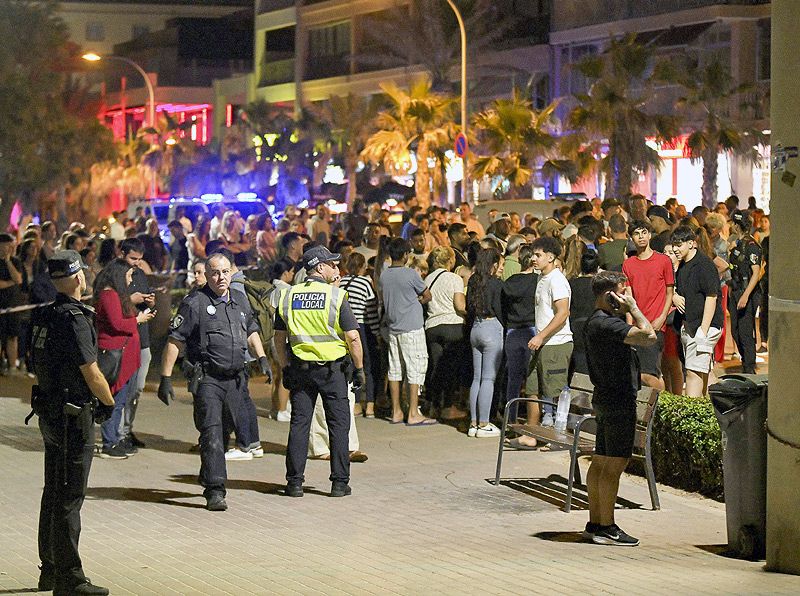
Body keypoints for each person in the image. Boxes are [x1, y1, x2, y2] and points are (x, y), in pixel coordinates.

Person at [30, 250, 115, 595]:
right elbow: (91, 371)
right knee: (69, 497)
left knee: (53, 492)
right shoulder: (75, 318)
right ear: (80, 277)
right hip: (72, 414)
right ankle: (70, 577)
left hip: (50, 410)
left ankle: (50, 568)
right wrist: (107, 403)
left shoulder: (43, 315)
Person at [158, 253, 269, 511]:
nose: (221, 278)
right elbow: (175, 340)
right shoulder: (194, 303)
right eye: (215, 273)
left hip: (236, 379)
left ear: (232, 273)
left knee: (225, 432)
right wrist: (165, 378)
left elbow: (250, 330)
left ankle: (208, 473)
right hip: (208, 378)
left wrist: (261, 357)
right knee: (211, 432)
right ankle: (215, 490)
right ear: (207, 275)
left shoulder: (239, 299)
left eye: (225, 272)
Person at [273, 245, 365, 497]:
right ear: (319, 267)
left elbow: (278, 338)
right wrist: (359, 369)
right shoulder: (335, 297)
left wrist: (284, 367)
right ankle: (338, 483)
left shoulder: (288, 296)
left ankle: (294, 483)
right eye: (332, 264)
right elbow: (353, 337)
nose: (336, 268)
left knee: (300, 425)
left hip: (301, 370)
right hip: (332, 371)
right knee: (338, 425)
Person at [583, 270, 656, 547]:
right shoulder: (606, 324)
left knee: (601, 461)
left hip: (605, 398)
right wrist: (635, 308)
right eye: (621, 292)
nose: (625, 297)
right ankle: (607, 527)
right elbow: (649, 336)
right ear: (607, 295)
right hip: (617, 400)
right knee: (614, 464)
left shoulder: (598, 322)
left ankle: (595, 523)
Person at [94, 259, 153, 458]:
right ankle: (109, 443)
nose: (130, 280)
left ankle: (116, 439)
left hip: (125, 355)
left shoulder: (117, 296)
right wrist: (137, 320)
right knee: (114, 401)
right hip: (115, 357)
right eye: (128, 276)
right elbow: (118, 323)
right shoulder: (109, 295)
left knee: (120, 401)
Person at [379, 238, 435, 426]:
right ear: (405, 255)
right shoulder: (411, 274)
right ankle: (413, 413)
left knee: (395, 370)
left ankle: (396, 412)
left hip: (393, 327)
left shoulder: (384, 276)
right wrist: (416, 302)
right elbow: (427, 295)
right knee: (415, 369)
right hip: (412, 326)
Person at [671, 226, 724, 397]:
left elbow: (712, 296)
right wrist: (675, 296)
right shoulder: (683, 266)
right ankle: (712, 413)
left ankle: (692, 415)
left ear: (692, 243)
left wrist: (703, 330)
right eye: (674, 245)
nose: (675, 249)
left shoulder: (704, 265)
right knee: (703, 373)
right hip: (690, 326)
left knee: (693, 374)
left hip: (703, 328)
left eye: (679, 245)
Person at [526, 236, 573, 428]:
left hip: (556, 343)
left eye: (538, 255)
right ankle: (531, 432)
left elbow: (563, 313)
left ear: (551, 257)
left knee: (554, 392)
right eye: (533, 255)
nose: (533, 259)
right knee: (532, 388)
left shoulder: (557, 280)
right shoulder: (541, 277)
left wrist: (541, 335)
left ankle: (556, 436)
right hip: (542, 343)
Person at [621, 220, 674, 391]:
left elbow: (669, 293)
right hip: (637, 326)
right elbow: (629, 297)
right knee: (641, 373)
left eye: (644, 232)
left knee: (649, 374)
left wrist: (662, 318)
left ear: (650, 235)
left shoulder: (663, 261)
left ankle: (661, 407)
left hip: (656, 325)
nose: (641, 236)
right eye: (637, 233)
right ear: (631, 238)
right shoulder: (628, 264)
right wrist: (629, 326)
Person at [424, 246, 468, 420]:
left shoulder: (427, 279)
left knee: (436, 368)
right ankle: (448, 406)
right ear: (450, 260)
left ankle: (434, 405)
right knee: (450, 368)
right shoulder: (454, 278)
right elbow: (459, 305)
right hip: (452, 326)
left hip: (432, 326)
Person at [500, 244, 539, 432]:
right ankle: (536, 421)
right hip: (532, 330)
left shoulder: (510, 282)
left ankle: (510, 419)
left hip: (512, 332)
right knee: (533, 380)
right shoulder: (538, 281)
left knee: (513, 380)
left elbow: (503, 307)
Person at [466, 248, 504, 437]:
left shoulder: (473, 280)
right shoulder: (496, 283)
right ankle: (484, 423)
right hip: (491, 327)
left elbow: (467, 307)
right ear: (494, 264)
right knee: (489, 378)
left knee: (477, 378)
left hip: (475, 327)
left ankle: (473, 423)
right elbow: (499, 308)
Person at [339, 252, 381, 418]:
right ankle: (369, 405)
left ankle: (355, 403)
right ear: (363, 266)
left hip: (343, 327)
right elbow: (370, 309)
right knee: (368, 366)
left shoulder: (341, 282)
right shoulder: (365, 282)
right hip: (361, 327)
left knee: (351, 365)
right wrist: (376, 332)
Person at [727, 210, 762, 374]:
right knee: (735, 331)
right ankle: (745, 362)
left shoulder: (751, 245)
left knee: (745, 332)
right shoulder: (737, 244)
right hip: (735, 290)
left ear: (736, 224)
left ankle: (749, 369)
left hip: (746, 291)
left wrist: (746, 295)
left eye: (732, 222)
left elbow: (756, 273)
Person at [0, 233, 23, 375]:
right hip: (1, 305)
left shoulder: (15, 261)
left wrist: (8, 261)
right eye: (7, 245)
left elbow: (18, 279)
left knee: (13, 336)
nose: (10, 248)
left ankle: (12, 367)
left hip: (13, 305)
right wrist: (11, 283)